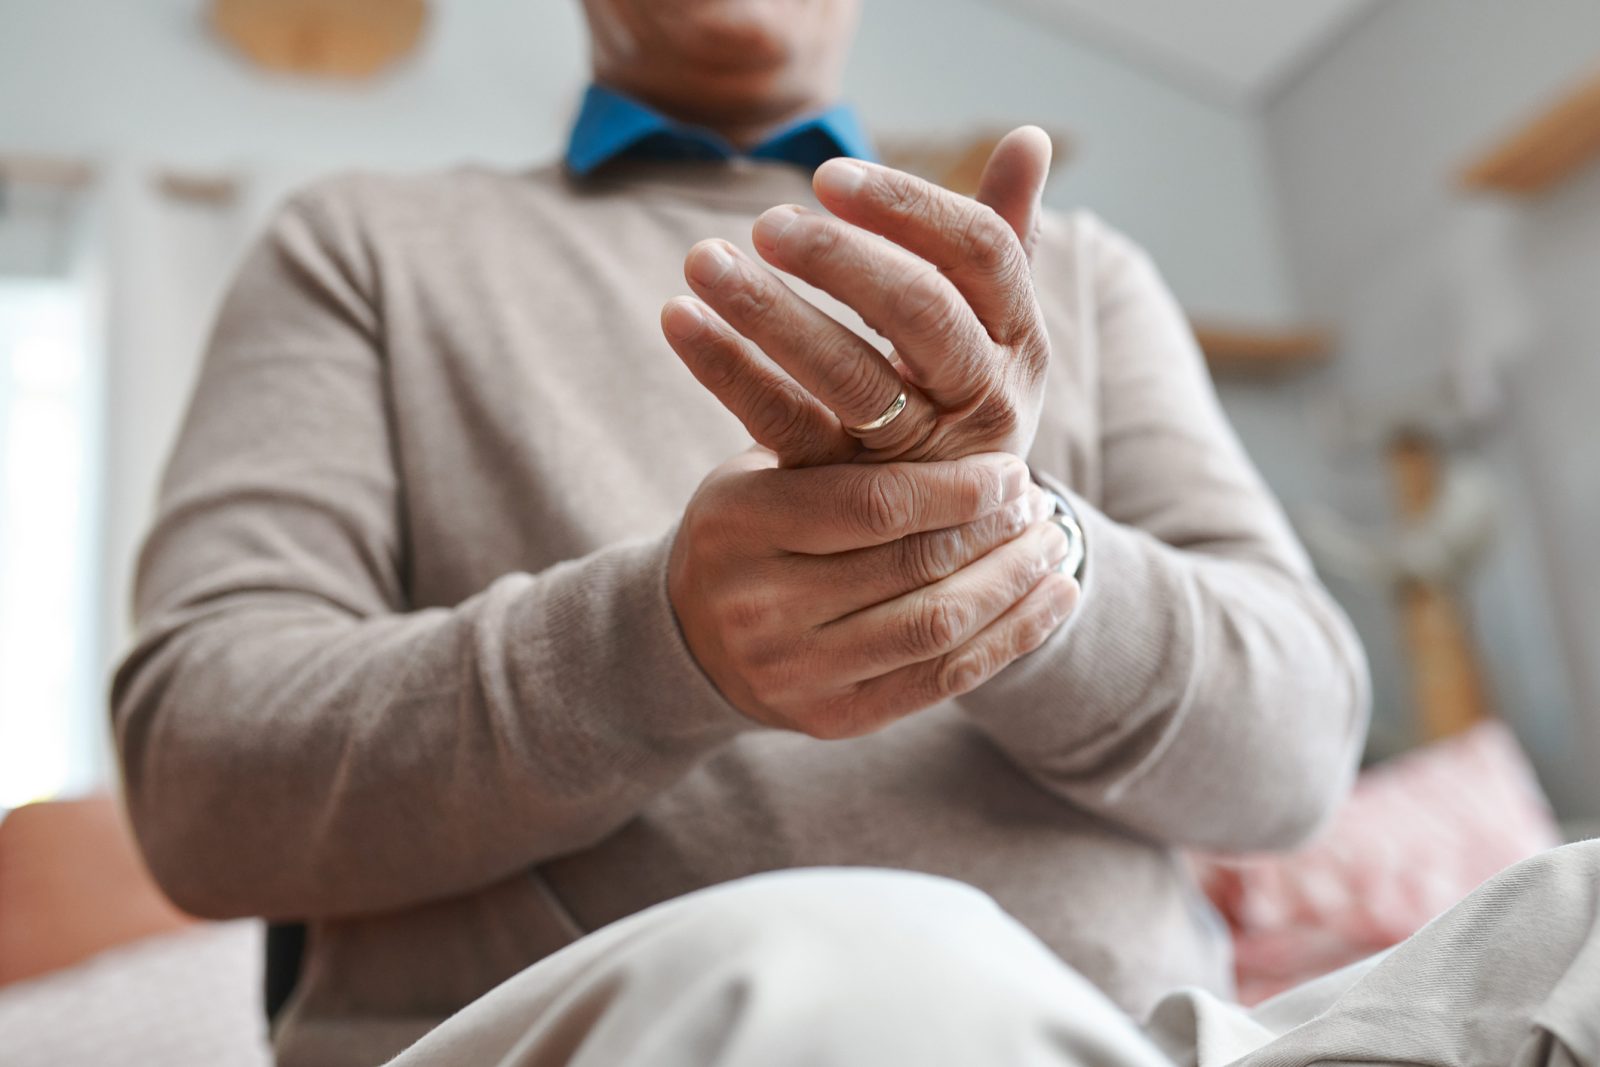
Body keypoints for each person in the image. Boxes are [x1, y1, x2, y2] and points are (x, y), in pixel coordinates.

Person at [109, 2, 1596, 1065]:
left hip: (1156, 1045)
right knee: (879, 964)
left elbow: (1297, 752)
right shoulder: (359, 244)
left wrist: (1015, 558)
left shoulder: (1079, 272)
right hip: (674, 1026)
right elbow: (199, 777)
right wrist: (661, 646)